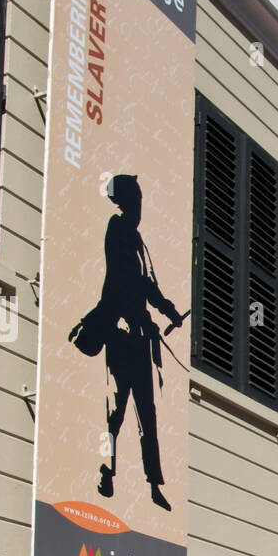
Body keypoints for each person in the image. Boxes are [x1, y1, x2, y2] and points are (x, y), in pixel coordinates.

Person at [91, 175, 185, 511]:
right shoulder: (119, 230)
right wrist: (160, 313)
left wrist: (170, 313)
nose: (140, 206)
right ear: (126, 201)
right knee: (115, 410)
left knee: (148, 413)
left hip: (140, 339)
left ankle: (154, 483)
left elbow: (150, 286)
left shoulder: (137, 237)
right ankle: (107, 471)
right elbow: (132, 282)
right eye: (136, 199)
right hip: (120, 334)